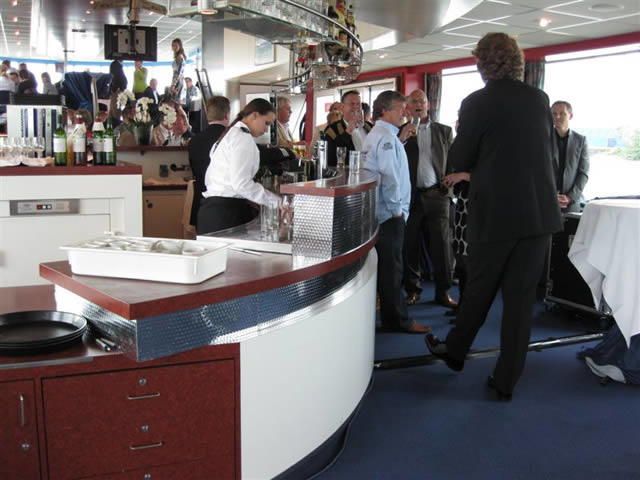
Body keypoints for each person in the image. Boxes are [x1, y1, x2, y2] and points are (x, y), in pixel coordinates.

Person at [425, 32, 563, 400]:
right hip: (538, 216)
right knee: (520, 302)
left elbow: (460, 158)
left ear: (482, 63)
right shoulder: (539, 99)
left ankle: (455, 351)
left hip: (497, 214)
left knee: (479, 288)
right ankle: (505, 381)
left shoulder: (477, 103)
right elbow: (546, 156)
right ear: (517, 61)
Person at [362, 90, 431, 334]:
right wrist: (396, 211)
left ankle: (393, 317)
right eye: (401, 108)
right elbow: (389, 176)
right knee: (393, 270)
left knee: (389, 268)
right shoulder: (386, 138)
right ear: (385, 110)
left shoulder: (382, 135)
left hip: (382, 212)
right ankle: (398, 320)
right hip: (389, 215)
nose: (406, 112)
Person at [403, 89, 457, 309]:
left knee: (442, 246)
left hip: (438, 194)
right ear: (407, 107)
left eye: (422, 101)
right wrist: (403, 136)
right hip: (411, 196)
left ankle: (443, 292)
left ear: (428, 105)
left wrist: (449, 190)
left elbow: (453, 160)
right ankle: (412, 290)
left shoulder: (444, 131)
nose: (418, 104)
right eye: (414, 101)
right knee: (410, 246)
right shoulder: (402, 132)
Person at [197, 98, 280, 234]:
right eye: (266, 123)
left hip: (213, 212)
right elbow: (241, 184)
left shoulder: (232, 133)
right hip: (225, 215)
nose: (266, 129)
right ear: (255, 115)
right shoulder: (242, 137)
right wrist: (276, 202)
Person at [188, 96, 231, 228]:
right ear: (227, 114)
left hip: (200, 204)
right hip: (226, 208)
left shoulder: (194, 141)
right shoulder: (232, 138)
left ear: (208, 115)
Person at [551, 100, 590, 212]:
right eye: (554, 113)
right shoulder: (543, 140)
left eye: (562, 113)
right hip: (547, 202)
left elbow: (583, 173)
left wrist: (570, 197)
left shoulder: (581, 140)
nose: (557, 116)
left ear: (570, 116)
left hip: (571, 204)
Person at [324, 90, 371, 167]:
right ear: (343, 107)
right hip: (348, 173)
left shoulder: (369, 127)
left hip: (371, 172)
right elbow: (331, 159)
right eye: (352, 104)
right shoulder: (332, 130)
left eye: (358, 104)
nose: (356, 107)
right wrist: (348, 130)